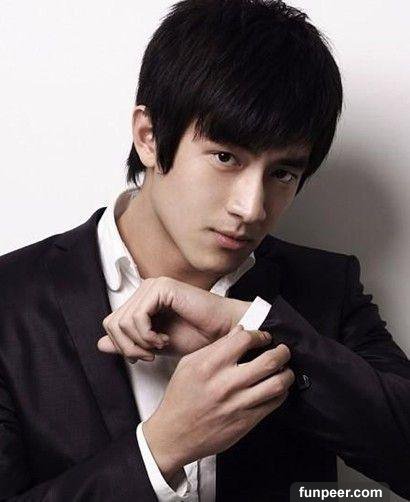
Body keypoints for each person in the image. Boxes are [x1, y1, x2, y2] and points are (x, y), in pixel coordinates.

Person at [0, 0, 409, 500]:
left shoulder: (324, 289)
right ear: (149, 138)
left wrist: (255, 325)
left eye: (282, 173)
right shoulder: (11, 301)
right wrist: (161, 448)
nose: (251, 207)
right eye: (225, 157)